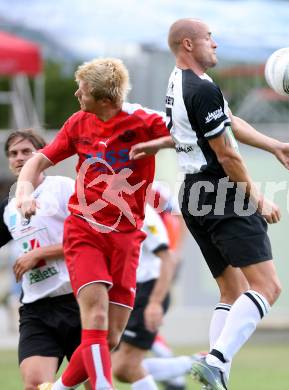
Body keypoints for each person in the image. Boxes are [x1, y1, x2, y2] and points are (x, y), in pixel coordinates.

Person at [130, 18, 289, 390]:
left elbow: (224, 122)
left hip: (194, 194)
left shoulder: (180, 84)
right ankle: (216, 360)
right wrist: (256, 198)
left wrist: (273, 145)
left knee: (233, 291)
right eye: (209, 38)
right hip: (223, 191)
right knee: (268, 287)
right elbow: (227, 154)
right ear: (188, 45)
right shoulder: (200, 88)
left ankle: (215, 369)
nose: (216, 44)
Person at [15, 58, 170, 390]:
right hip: (84, 231)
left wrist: (158, 144)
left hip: (127, 238)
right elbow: (39, 160)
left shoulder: (143, 121)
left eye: (82, 91)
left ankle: (57, 389)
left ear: (104, 99)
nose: (76, 94)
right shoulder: (78, 123)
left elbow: (189, 133)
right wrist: (25, 192)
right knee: (95, 319)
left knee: (111, 337)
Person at [0, 129, 91, 390]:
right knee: (35, 384)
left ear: (42, 155)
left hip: (78, 301)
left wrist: (39, 254)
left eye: (27, 151)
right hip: (37, 309)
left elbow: (92, 237)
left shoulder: (64, 189)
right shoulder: (9, 208)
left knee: (95, 383)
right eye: (13, 153)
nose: (20, 158)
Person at [112, 203, 179, 390]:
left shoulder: (143, 212)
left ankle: (194, 364)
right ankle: (191, 364)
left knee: (125, 367)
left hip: (148, 291)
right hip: (124, 291)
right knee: (113, 363)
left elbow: (168, 259)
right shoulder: (100, 206)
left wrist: (155, 303)